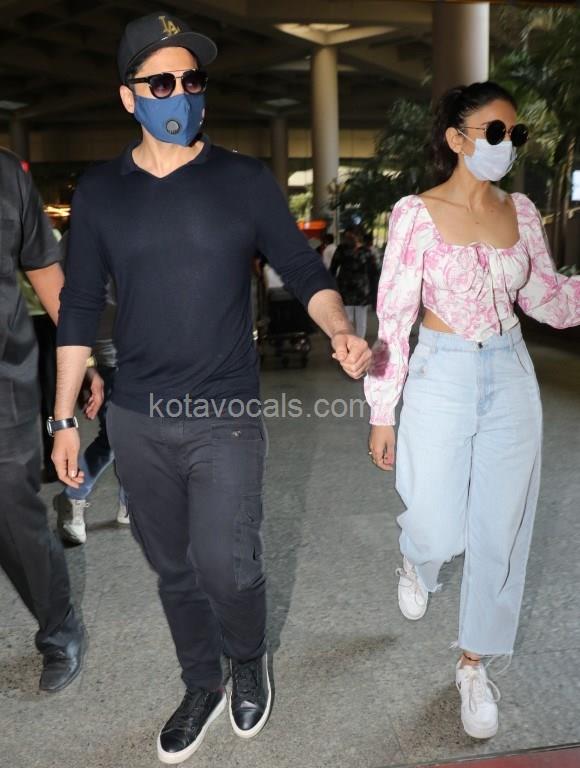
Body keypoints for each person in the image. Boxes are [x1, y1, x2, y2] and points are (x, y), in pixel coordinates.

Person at [52, 12, 371, 765]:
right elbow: (78, 305)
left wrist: (337, 327)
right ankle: (202, 683)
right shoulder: (99, 192)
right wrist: (63, 419)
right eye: (161, 82)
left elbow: (302, 268)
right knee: (174, 570)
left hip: (223, 410)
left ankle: (248, 657)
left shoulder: (242, 180)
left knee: (228, 566)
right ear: (128, 96)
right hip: (136, 418)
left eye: (191, 79)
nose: (181, 94)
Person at [366, 81, 580, 740]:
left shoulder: (521, 211)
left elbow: (545, 298)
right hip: (441, 372)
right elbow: (393, 318)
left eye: (515, 134)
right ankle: (417, 555)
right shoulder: (416, 214)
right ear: (457, 139)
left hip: (511, 373)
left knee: (501, 528)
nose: (507, 144)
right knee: (436, 526)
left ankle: (473, 664)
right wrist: (382, 410)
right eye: (494, 132)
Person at [0, 149, 101, 692]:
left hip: (5, 386)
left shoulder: (7, 176)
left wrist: (86, 362)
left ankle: (60, 630)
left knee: (13, 515)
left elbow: (45, 272)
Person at [53, 236, 128, 545]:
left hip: (147, 344)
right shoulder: (75, 241)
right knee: (114, 436)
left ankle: (130, 501)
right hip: (105, 346)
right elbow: (62, 306)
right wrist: (88, 365)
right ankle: (73, 497)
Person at [330, 226, 378, 339]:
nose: (348, 237)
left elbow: (373, 273)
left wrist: (374, 292)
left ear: (358, 236)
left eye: (351, 235)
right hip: (349, 289)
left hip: (358, 290)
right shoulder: (343, 249)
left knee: (358, 319)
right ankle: (352, 340)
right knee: (350, 318)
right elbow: (333, 268)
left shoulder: (365, 251)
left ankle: (357, 341)